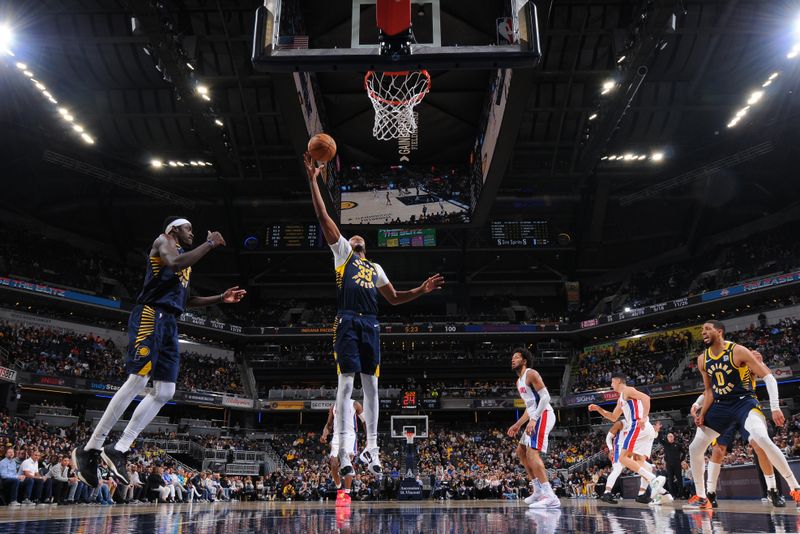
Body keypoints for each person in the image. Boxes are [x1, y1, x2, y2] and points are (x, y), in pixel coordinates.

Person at [72, 216, 246, 488]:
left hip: (170, 322)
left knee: (166, 391)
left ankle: (119, 448)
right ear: (174, 229)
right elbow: (176, 262)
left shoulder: (184, 260)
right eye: (188, 228)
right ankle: (90, 448)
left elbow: (188, 300)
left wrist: (220, 298)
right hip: (150, 314)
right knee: (137, 380)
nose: (192, 232)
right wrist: (209, 244)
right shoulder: (163, 242)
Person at [305, 154, 444, 489]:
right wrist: (313, 181)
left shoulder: (376, 267)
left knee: (372, 387)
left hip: (372, 324)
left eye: (360, 241)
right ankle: (343, 450)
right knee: (345, 384)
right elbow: (324, 217)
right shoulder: (342, 255)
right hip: (348, 320)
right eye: (352, 239)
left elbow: (395, 298)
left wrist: (421, 290)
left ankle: (372, 449)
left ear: (365, 246)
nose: (356, 240)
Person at [685, 320, 800, 510]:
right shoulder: (701, 359)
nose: (702, 332)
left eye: (707, 329)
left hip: (744, 403)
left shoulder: (738, 351)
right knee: (695, 448)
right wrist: (701, 412)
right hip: (721, 406)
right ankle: (702, 496)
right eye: (701, 330)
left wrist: (775, 407)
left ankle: (794, 488)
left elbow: (769, 377)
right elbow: (709, 391)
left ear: (719, 332)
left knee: (761, 439)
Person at [588, 373, 667, 503]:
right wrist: (598, 409)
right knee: (639, 461)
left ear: (618, 381)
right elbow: (613, 417)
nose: (611, 385)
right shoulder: (621, 399)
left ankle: (653, 479)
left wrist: (643, 417)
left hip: (637, 425)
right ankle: (661, 494)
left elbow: (646, 398)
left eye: (612, 382)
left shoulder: (627, 390)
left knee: (622, 458)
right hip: (645, 429)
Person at [506, 347, 559, 509]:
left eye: (516, 357)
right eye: (512, 358)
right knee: (521, 451)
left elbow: (546, 397)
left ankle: (550, 496)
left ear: (524, 360)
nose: (513, 360)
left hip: (544, 415)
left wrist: (534, 419)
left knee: (532, 452)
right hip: (535, 416)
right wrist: (518, 424)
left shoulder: (531, 374)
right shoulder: (518, 381)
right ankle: (537, 490)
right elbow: (530, 407)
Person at [321, 399, 364, 507]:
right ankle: (340, 490)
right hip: (336, 437)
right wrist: (324, 434)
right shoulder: (334, 406)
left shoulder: (355, 404)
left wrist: (369, 438)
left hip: (350, 437)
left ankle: (347, 494)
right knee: (333, 463)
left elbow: (364, 421)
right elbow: (328, 424)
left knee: (347, 463)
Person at [657, 429, 685, 500]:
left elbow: (684, 453)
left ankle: (681, 495)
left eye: (671, 436)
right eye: (669, 436)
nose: (670, 437)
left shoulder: (678, 445)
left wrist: (680, 460)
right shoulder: (665, 444)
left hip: (677, 465)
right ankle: (673, 495)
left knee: (679, 480)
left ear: (673, 437)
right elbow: (659, 439)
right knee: (670, 481)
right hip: (669, 465)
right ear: (667, 438)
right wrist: (659, 431)